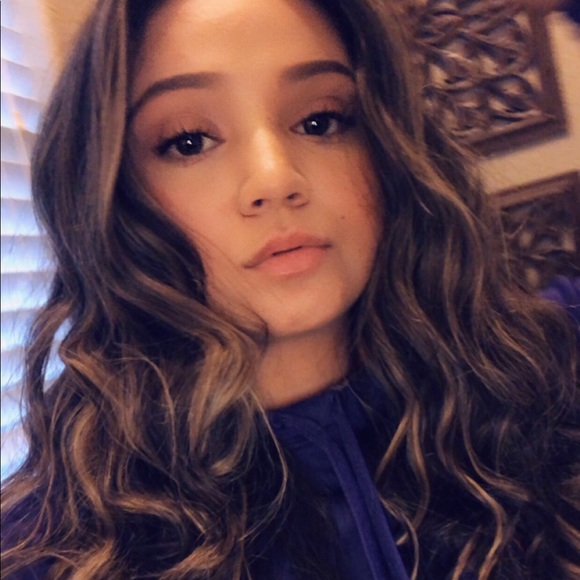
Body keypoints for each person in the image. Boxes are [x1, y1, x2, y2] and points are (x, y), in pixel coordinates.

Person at [1, 0, 579, 578]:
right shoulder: (47, 552)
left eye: (320, 122)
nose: (275, 178)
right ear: (116, 198)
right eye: (189, 141)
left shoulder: (547, 372)